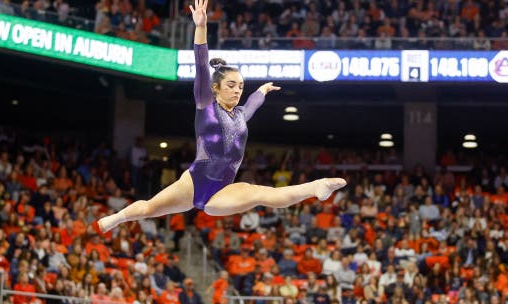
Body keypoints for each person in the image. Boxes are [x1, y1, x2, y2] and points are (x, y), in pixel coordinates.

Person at [93, 0, 346, 234]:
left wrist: (262, 91)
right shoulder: (205, 104)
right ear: (216, 87)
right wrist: (201, 27)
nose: (237, 90)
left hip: (222, 191)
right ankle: (116, 219)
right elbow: (202, 63)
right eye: (232, 85)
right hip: (193, 184)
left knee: (259, 193)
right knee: (149, 209)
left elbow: (252, 105)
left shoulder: (240, 116)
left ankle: (317, 187)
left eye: (240, 87)